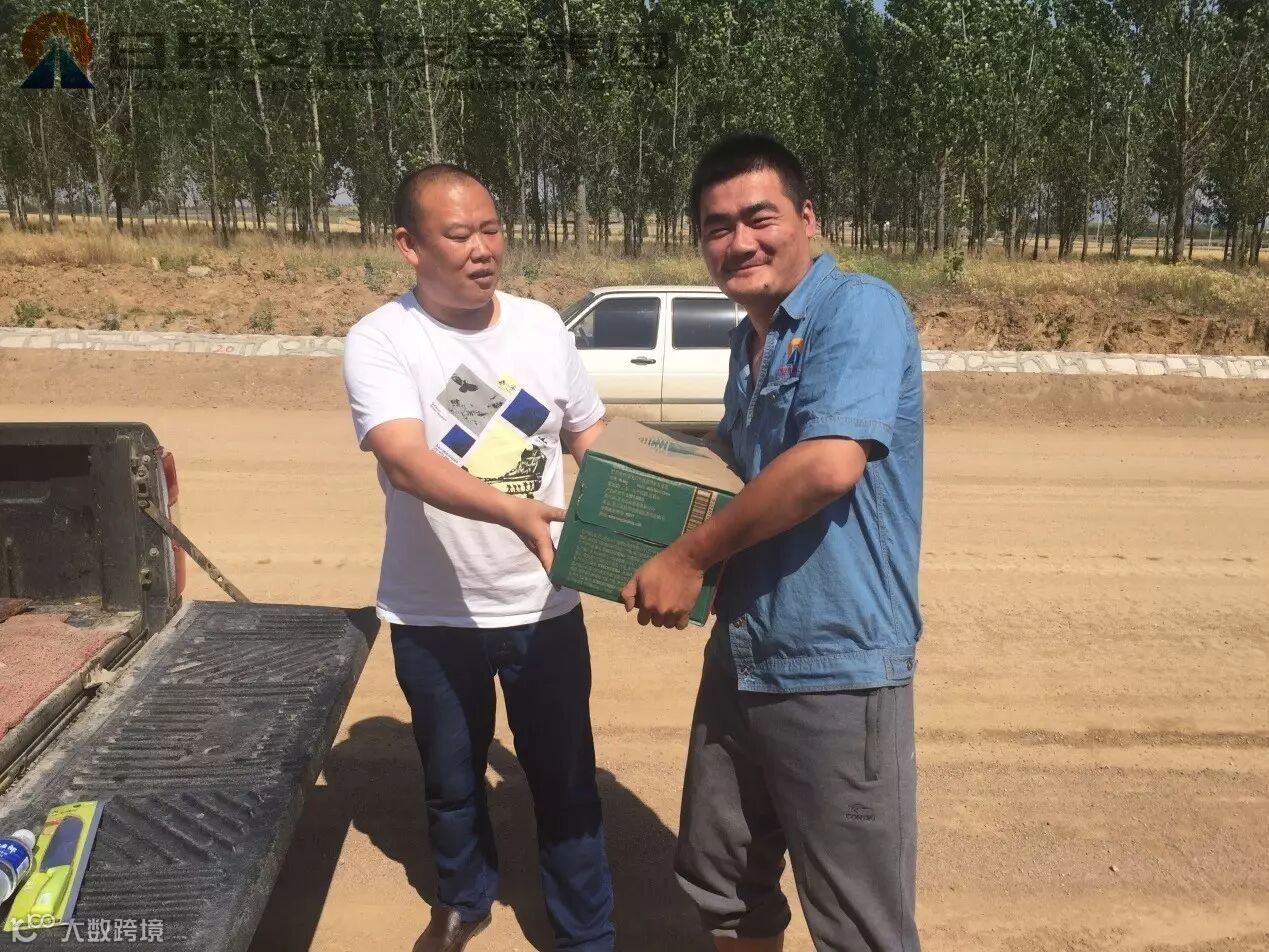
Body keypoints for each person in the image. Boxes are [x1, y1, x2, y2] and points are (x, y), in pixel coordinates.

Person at [622, 133, 924, 952]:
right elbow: (731, 465)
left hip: (835, 664)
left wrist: (686, 556)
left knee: (857, 923)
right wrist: (624, 496)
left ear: (806, 219)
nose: (739, 242)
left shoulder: (857, 310)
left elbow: (827, 465)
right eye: (716, 227)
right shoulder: (747, 340)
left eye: (759, 219)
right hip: (743, 652)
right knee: (723, 886)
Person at [342, 164, 614, 952]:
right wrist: (511, 509)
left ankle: (586, 932)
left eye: (491, 229)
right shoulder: (381, 339)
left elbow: (587, 433)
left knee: (566, 780)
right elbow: (405, 460)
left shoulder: (541, 327)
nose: (482, 248)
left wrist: (647, 502)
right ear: (409, 245)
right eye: (459, 235)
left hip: (543, 603)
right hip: (433, 613)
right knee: (452, 782)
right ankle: (464, 899)